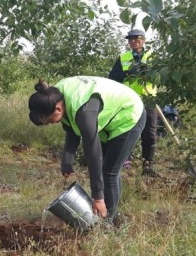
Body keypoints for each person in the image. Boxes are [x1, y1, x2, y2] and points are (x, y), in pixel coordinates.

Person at [28, 76, 145, 221]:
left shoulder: (84, 113)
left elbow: (93, 153)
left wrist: (98, 197)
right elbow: (71, 126)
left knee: (109, 171)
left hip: (128, 114)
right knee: (107, 171)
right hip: (107, 115)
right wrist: (67, 160)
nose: (50, 124)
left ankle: (106, 224)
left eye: (48, 120)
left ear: (58, 108)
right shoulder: (54, 95)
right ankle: (111, 215)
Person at [108, 28, 159, 177]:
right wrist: (129, 73)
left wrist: (147, 72)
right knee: (127, 130)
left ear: (143, 40)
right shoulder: (123, 58)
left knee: (149, 134)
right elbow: (113, 77)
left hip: (148, 99)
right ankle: (125, 161)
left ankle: (148, 165)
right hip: (129, 100)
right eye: (131, 40)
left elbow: (159, 76)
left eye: (136, 39)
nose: (133, 42)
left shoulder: (152, 57)